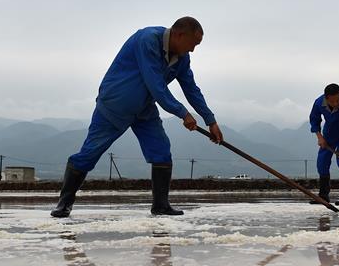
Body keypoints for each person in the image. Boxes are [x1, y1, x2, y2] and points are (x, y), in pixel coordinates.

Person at [51, 17, 223, 218]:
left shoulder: (182, 58)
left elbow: (191, 89)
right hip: (115, 105)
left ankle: (161, 205)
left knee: (161, 150)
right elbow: (155, 84)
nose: (193, 50)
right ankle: (64, 203)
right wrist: (183, 113)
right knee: (90, 153)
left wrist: (210, 120)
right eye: (193, 44)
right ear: (179, 34)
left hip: (144, 109)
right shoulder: (148, 40)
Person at [309, 83, 339, 205]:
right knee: (322, 162)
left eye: (338, 100)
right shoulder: (319, 102)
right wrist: (320, 137)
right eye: (333, 102)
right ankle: (323, 196)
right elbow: (314, 121)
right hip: (329, 135)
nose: (336, 104)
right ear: (326, 98)